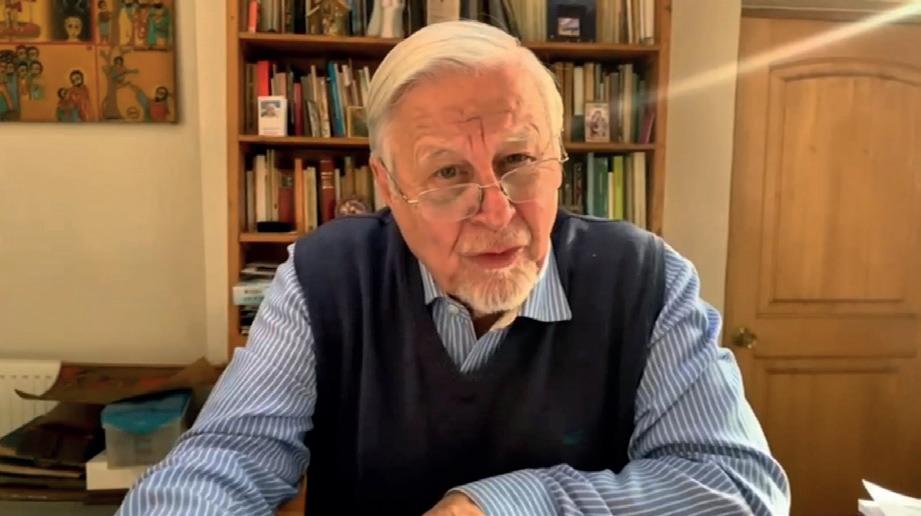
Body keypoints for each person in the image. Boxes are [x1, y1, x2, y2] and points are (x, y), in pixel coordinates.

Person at [118, 20, 790, 516]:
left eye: (519, 162)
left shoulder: (646, 281)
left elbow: (739, 490)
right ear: (388, 186)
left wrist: (511, 506)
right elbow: (231, 454)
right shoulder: (325, 277)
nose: (496, 212)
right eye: (447, 173)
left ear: (559, 161)